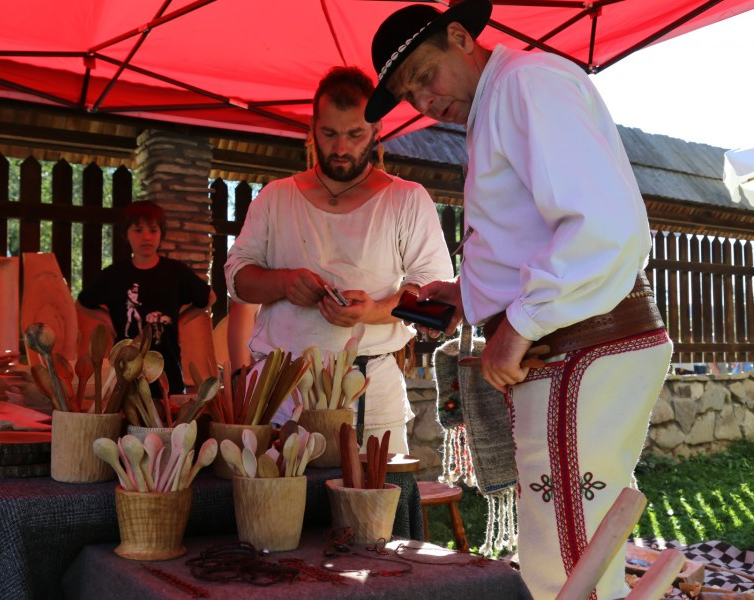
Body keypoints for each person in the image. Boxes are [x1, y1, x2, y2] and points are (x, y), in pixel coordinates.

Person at [365, 2, 671, 598]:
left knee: (568, 559)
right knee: (577, 543)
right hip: (573, 344)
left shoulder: (526, 83)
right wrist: (469, 295)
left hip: (580, 344)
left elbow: (603, 225)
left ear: (460, 37)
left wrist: (520, 322)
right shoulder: (501, 101)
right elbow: (536, 235)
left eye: (425, 76)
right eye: (410, 95)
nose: (424, 102)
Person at [224, 66, 454, 454]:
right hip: (281, 388)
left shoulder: (406, 199)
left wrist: (375, 310)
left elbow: (436, 300)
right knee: (279, 511)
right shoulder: (276, 198)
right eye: (329, 134)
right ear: (311, 128)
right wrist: (282, 283)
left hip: (369, 386)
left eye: (355, 134)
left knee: (371, 511)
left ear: (377, 131)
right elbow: (236, 279)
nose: (341, 148)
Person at [77, 200, 215, 395]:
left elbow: (209, 298)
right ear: (126, 234)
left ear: (161, 234)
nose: (146, 237)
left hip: (169, 377)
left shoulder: (176, 272)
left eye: (153, 230)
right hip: (125, 378)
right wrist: (107, 320)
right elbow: (83, 302)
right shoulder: (114, 275)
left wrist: (180, 322)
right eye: (138, 230)